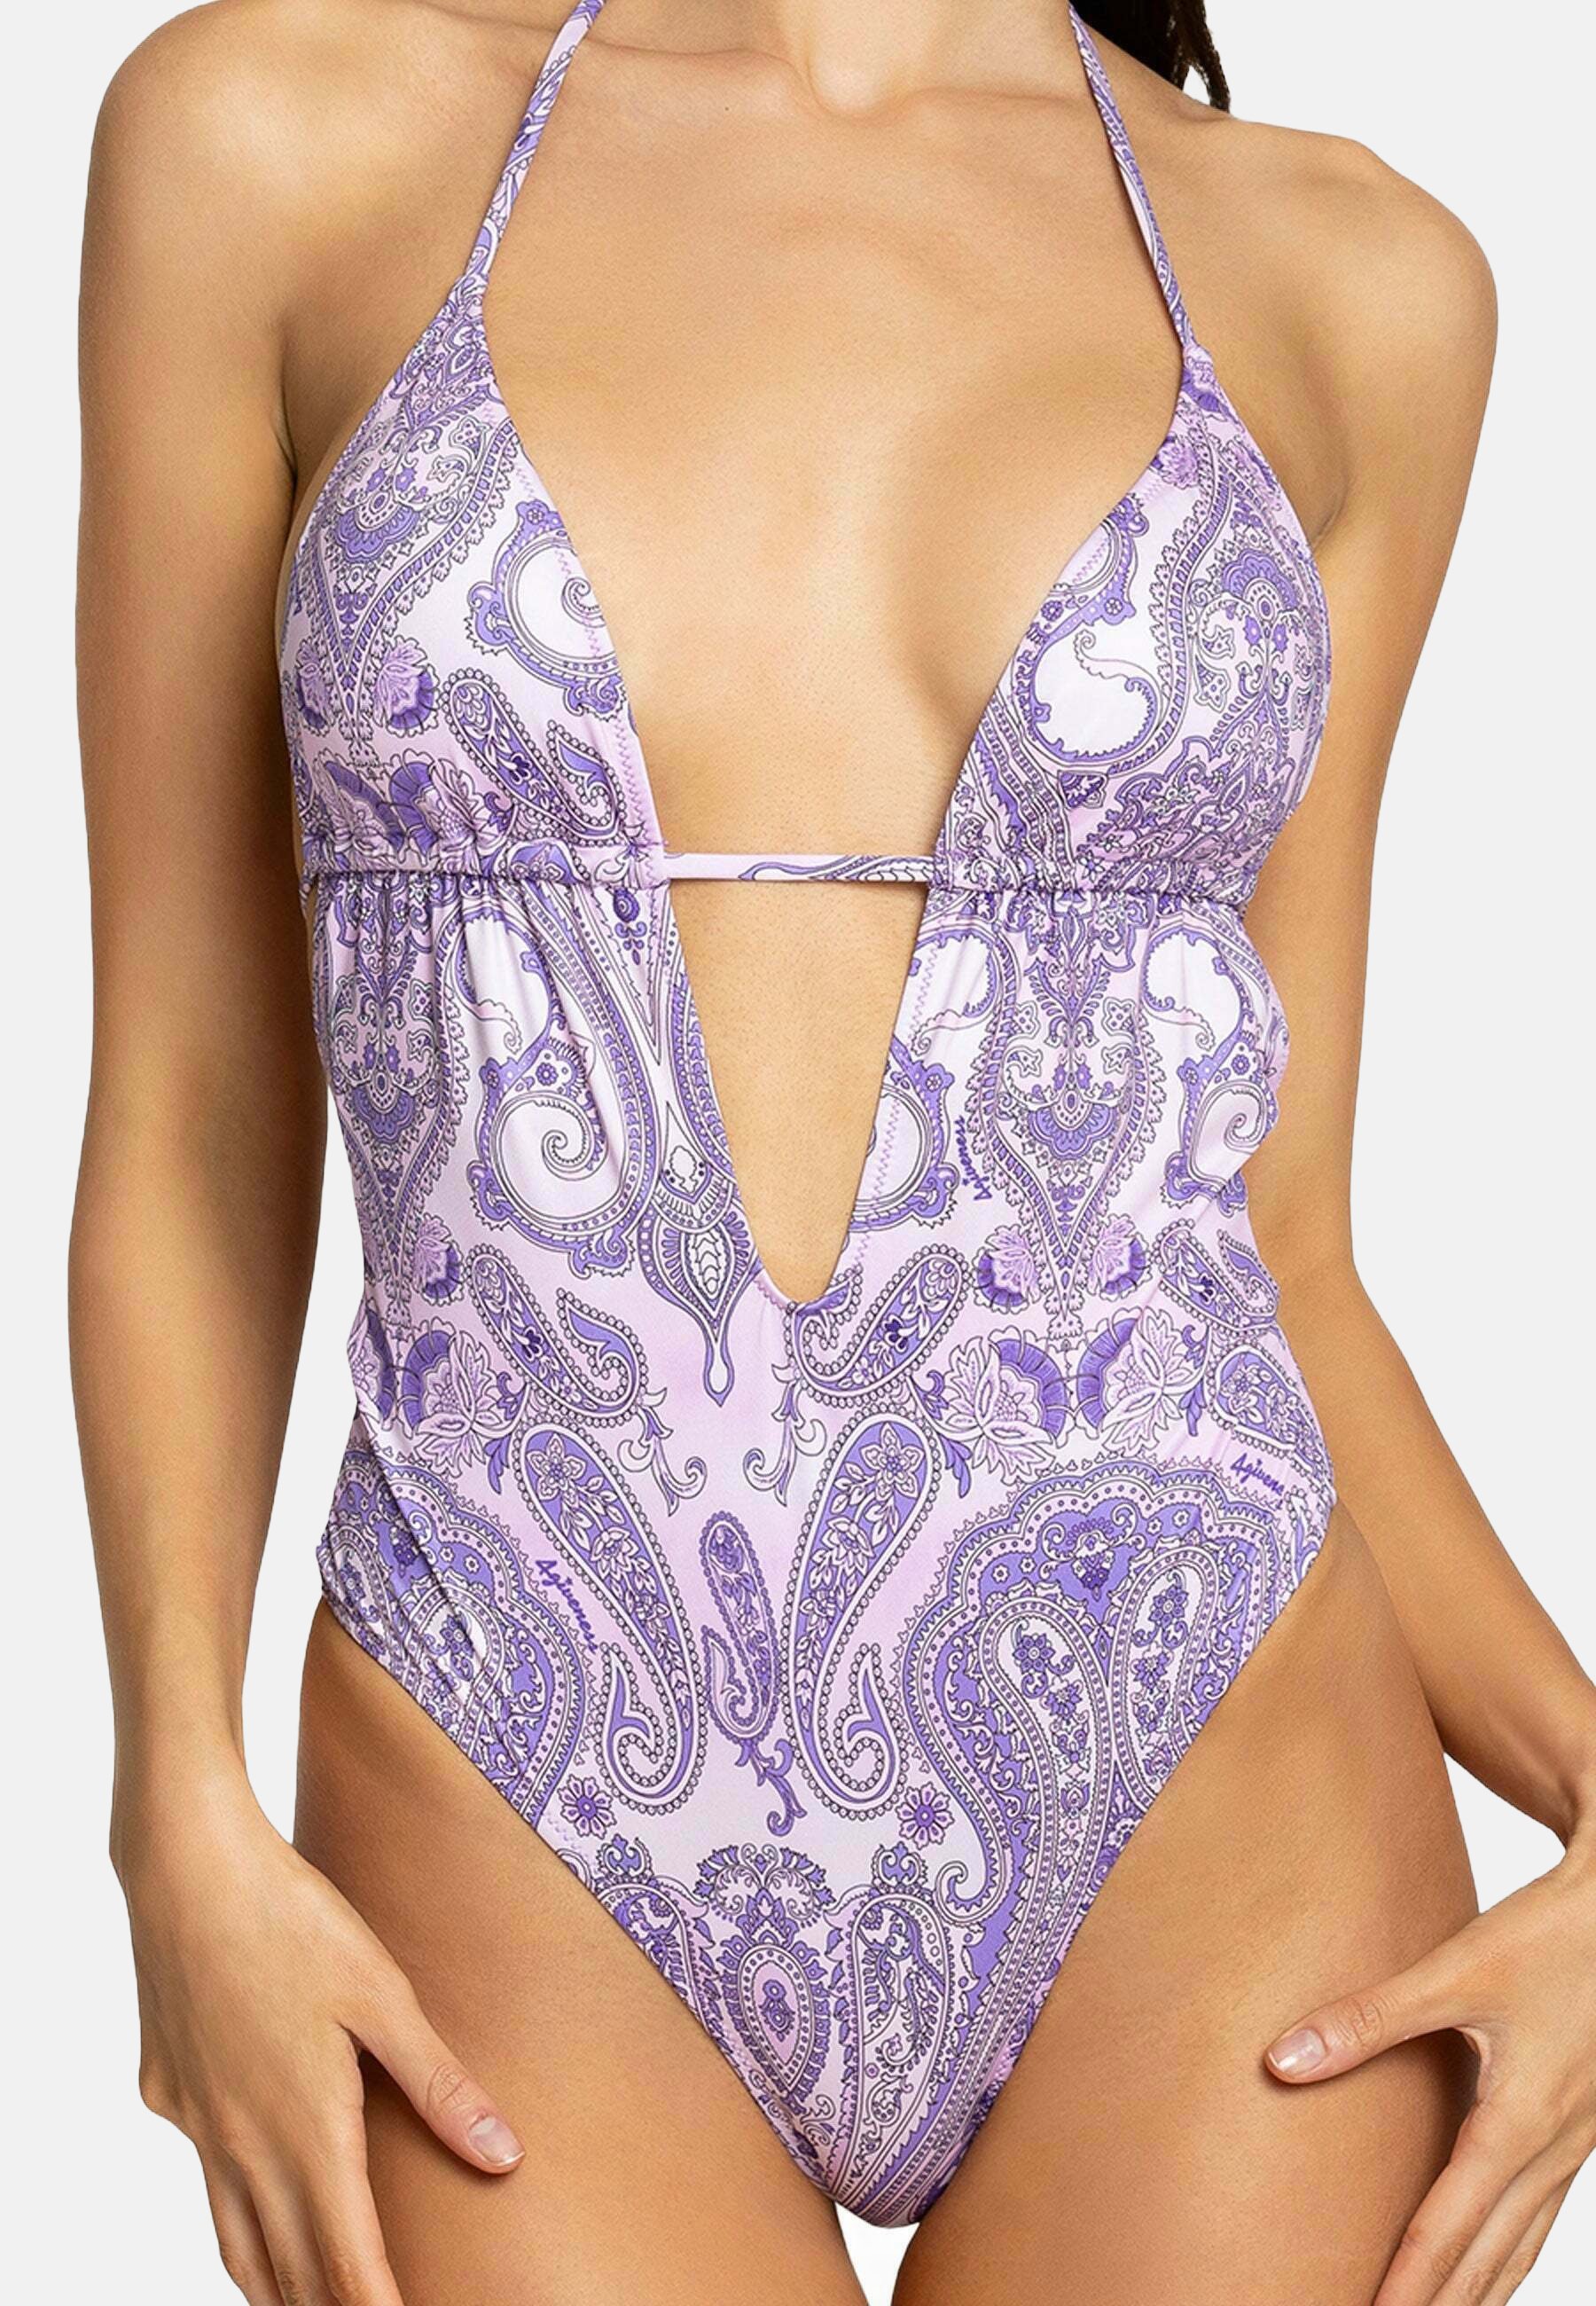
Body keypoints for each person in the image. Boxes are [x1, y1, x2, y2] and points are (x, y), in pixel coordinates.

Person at [71, 4, 1595, 2301]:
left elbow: (1283, 1239)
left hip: (1208, 1763)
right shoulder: (281, 138)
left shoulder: (1353, 276)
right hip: (512, 1727)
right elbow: (190, 1109)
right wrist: (171, 1811)